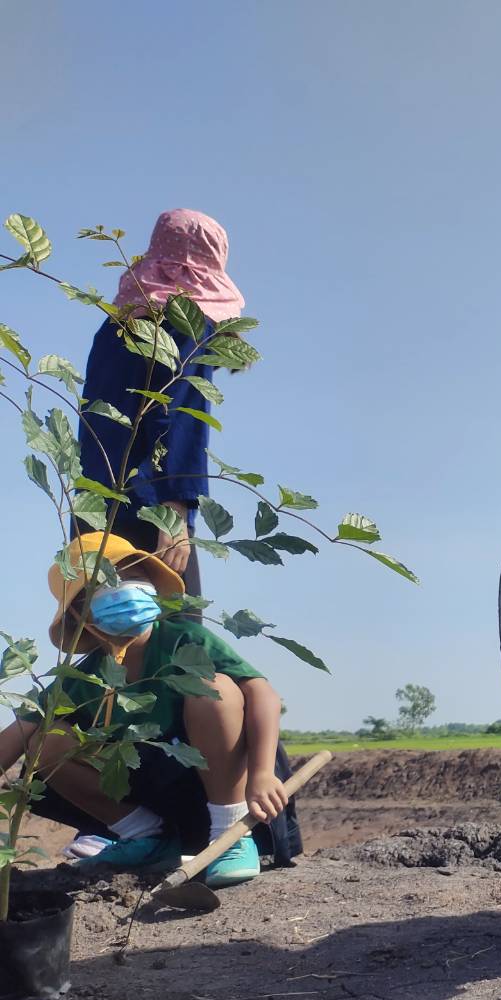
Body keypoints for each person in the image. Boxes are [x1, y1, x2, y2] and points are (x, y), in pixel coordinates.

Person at [0, 533, 300, 885]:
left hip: (227, 789)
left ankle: (229, 838)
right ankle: (145, 838)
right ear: (80, 611)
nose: (126, 587)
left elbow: (262, 693)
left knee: (212, 688)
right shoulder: (84, 677)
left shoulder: (185, 639)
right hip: (158, 803)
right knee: (45, 741)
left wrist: (263, 773)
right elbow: (18, 734)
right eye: (106, 581)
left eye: (135, 576)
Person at [76, 208, 246, 597]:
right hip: (150, 512)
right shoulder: (185, 321)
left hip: (96, 508)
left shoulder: (114, 327)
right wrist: (176, 505)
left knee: (108, 632)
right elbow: (182, 414)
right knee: (176, 641)